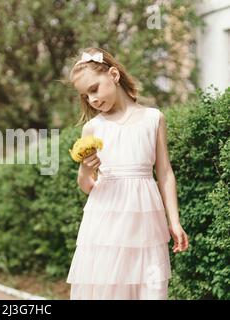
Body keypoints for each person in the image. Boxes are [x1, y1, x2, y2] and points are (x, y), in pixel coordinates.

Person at [65, 47, 189, 300]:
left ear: (113, 74)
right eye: (86, 96)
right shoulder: (92, 128)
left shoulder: (153, 118)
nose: (93, 99)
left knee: (149, 287)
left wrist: (174, 221)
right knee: (108, 288)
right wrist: (87, 168)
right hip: (105, 221)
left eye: (94, 88)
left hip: (147, 219)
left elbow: (164, 173)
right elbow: (86, 185)